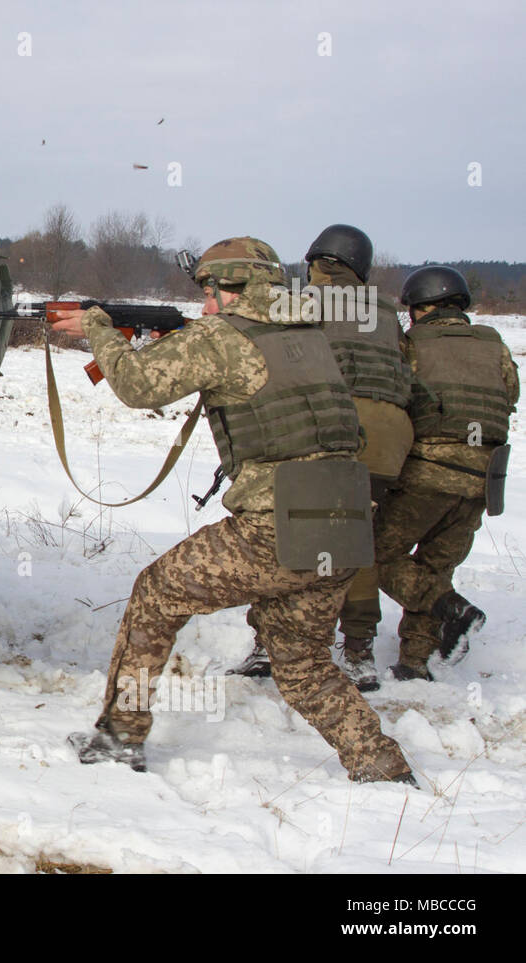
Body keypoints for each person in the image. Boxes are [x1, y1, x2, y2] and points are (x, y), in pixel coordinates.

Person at [49, 237, 413, 783]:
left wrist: (100, 330)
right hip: (345, 525)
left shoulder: (222, 337)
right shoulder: (310, 337)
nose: (205, 304)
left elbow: (137, 385)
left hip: (276, 527)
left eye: (209, 291)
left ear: (230, 287)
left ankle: (120, 738)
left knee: (155, 593)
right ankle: (382, 766)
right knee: (306, 666)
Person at [230, 225, 413, 691]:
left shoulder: (300, 300)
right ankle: (359, 652)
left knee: (288, 535)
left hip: (332, 427)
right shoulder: (387, 310)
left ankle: (268, 646)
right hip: (390, 436)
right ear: (360, 268)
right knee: (357, 541)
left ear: (315, 262)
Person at [370, 266, 518, 681]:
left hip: (427, 475)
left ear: (419, 309)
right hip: (483, 482)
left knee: (375, 555)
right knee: (435, 567)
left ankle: (452, 608)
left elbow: (395, 395)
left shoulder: (411, 344)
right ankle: (415, 662)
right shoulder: (495, 345)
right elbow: (510, 394)